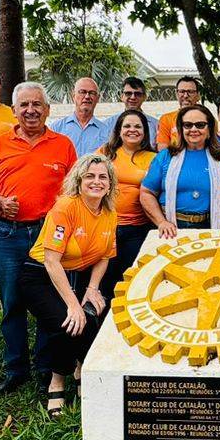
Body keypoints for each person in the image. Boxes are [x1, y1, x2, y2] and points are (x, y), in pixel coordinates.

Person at [0, 82, 79, 394]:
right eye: (24, 105)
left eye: (37, 105)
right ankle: (15, 370)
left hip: (48, 236)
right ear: (14, 111)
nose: (31, 110)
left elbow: (73, 190)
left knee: (49, 303)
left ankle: (47, 369)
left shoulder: (63, 144)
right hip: (8, 234)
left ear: (47, 110)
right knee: (12, 303)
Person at [20, 154, 118, 415]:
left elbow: (105, 256)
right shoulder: (66, 206)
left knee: (92, 319)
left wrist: (92, 289)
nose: (96, 182)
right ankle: (57, 382)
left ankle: (80, 369)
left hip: (80, 277)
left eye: (102, 177)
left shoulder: (109, 213)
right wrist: (73, 304)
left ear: (110, 184)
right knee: (68, 323)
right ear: (78, 180)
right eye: (90, 176)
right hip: (40, 274)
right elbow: (52, 261)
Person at [140, 104, 220, 237]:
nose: (193, 129)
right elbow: (146, 192)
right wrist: (161, 222)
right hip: (171, 228)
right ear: (181, 128)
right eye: (188, 125)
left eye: (200, 125)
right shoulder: (166, 156)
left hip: (211, 226)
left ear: (209, 129)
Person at [99, 110, 157, 299]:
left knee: (131, 280)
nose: (132, 130)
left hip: (137, 229)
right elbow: (85, 177)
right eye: (127, 126)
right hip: (106, 227)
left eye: (137, 126)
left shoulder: (153, 158)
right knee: (105, 282)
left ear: (145, 131)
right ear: (119, 130)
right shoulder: (106, 152)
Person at [49, 77, 111, 156]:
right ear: (73, 96)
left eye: (92, 93)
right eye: (82, 92)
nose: (87, 96)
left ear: (97, 98)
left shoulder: (106, 132)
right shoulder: (57, 128)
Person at [154, 75, 203, 147]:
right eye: (182, 91)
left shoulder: (207, 119)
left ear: (198, 95)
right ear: (176, 94)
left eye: (190, 91)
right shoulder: (166, 119)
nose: (186, 95)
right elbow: (162, 148)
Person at [118, 76, 161, 140]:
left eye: (137, 94)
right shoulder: (108, 124)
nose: (133, 97)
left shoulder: (156, 125)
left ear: (144, 97)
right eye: (128, 93)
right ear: (121, 96)